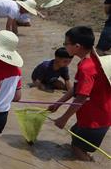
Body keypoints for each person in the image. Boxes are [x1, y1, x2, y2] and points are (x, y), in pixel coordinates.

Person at [47, 26, 111, 161]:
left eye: (66, 43)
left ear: (77, 46)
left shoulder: (86, 68)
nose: (64, 46)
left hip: (95, 120)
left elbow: (81, 97)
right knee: (75, 137)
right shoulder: (92, 58)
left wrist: (63, 119)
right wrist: (59, 103)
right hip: (97, 115)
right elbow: (77, 88)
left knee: (77, 149)